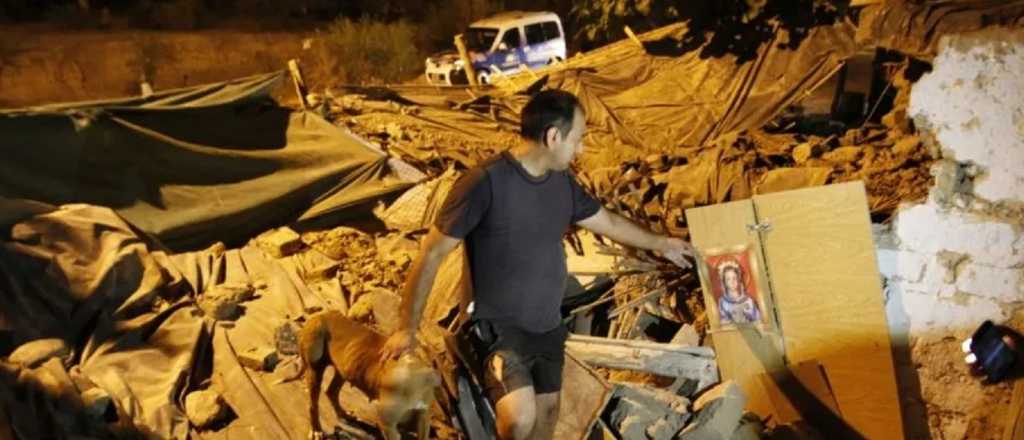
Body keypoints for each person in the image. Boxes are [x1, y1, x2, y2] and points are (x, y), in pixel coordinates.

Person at [381, 90, 693, 440]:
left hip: (545, 327)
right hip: (497, 327)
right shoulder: (483, 183)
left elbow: (610, 223)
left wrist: (663, 244)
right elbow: (432, 253)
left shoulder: (563, 185)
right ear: (553, 136)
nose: (581, 150)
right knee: (519, 417)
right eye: (578, 139)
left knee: (546, 419)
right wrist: (406, 327)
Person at [716, 259, 762, 324]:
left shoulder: (748, 300)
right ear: (724, 282)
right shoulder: (722, 302)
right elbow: (722, 322)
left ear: (738, 279)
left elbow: (758, 319)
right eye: (728, 279)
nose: (732, 282)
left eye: (734, 278)